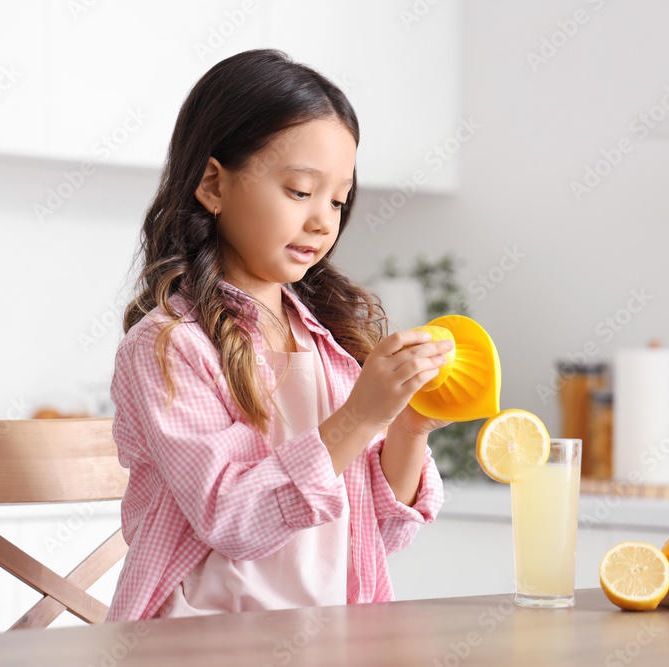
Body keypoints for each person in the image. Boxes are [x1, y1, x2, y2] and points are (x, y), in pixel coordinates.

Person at [105, 49, 450, 622]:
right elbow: (233, 519)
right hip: (199, 641)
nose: (323, 221)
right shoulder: (169, 346)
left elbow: (379, 534)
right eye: (299, 191)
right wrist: (360, 417)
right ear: (213, 184)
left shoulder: (331, 346)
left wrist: (410, 427)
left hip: (329, 636)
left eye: (338, 200)